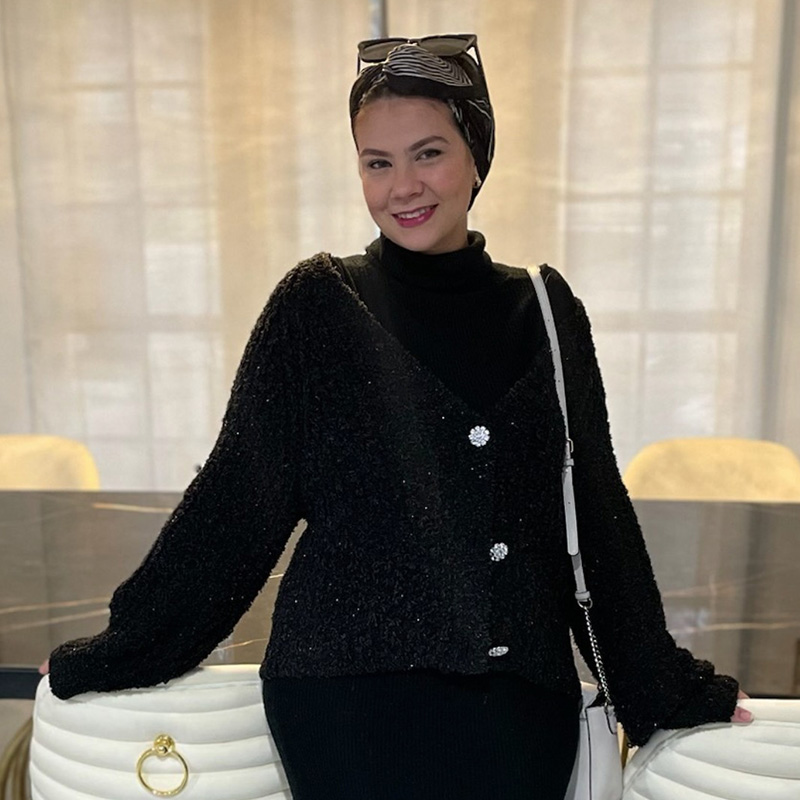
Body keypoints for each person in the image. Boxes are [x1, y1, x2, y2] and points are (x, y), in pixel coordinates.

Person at [42, 35, 752, 800]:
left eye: (428, 154)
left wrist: (662, 687)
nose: (403, 186)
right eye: (376, 163)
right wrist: (120, 649)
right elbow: (235, 504)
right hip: (346, 701)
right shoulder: (317, 308)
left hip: (520, 704)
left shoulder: (547, 313)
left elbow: (594, 516)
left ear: (477, 156)